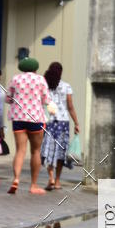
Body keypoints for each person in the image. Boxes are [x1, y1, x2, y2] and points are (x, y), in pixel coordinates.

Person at [6, 57, 57, 195]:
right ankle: (33, 185)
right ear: (35, 68)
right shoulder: (41, 80)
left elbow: (8, 99)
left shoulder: (15, 79)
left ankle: (16, 179)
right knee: (35, 151)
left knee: (20, 150)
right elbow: (47, 100)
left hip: (18, 118)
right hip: (36, 119)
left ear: (22, 68)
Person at [41, 62, 79, 190]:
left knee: (48, 150)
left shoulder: (45, 86)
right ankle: (57, 182)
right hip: (63, 123)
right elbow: (70, 107)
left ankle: (50, 178)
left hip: (50, 122)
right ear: (61, 72)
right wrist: (76, 123)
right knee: (60, 152)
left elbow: (42, 103)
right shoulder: (66, 86)